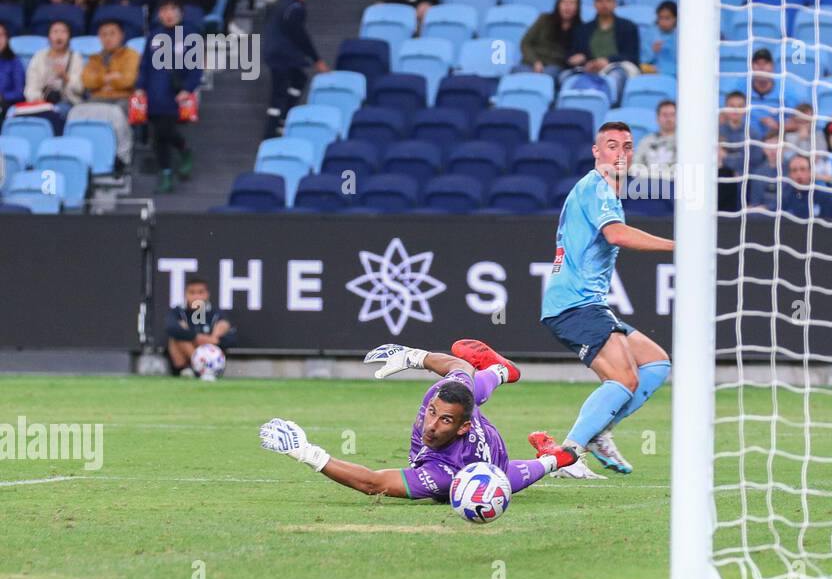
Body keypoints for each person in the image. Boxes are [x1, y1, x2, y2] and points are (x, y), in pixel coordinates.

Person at [259, 339, 580, 501]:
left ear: (462, 427)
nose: (431, 424)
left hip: (493, 470)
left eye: (444, 421)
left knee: (550, 464)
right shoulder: (442, 396)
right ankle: (503, 370)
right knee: (469, 380)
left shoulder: (444, 476)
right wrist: (415, 357)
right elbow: (460, 366)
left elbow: (373, 483)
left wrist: (306, 452)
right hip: (473, 421)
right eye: (432, 413)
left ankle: (554, 455)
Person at [533, 121, 675, 478]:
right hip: (573, 304)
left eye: (627, 146)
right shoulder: (596, 187)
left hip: (587, 303)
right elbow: (616, 235)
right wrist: (679, 246)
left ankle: (597, 432)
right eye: (612, 145)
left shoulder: (603, 191)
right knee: (624, 378)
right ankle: (569, 455)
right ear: (596, 152)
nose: (621, 153)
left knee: (656, 363)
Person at [140, 0, 199, 193]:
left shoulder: (190, 35)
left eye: (173, 9)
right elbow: (145, 65)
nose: (168, 14)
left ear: (180, 13)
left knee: (165, 131)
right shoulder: (153, 36)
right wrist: (140, 86)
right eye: (164, 10)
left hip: (175, 93)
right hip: (154, 91)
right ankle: (165, 174)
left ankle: (184, 150)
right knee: (157, 136)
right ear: (159, 14)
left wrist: (187, 89)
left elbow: (195, 69)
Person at [261, 0, 327, 138]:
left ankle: (282, 119)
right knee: (279, 92)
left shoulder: (283, 4)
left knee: (298, 80)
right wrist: (316, 59)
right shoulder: (296, 8)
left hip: (275, 52)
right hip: (282, 55)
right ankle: (273, 131)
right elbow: (300, 36)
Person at [74, 19, 139, 171]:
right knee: (76, 112)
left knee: (117, 113)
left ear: (121, 35)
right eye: (104, 34)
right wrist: (108, 78)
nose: (108, 38)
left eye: (112, 34)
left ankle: (122, 157)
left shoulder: (131, 55)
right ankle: (84, 157)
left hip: (123, 98)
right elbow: (87, 81)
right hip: (97, 98)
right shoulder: (94, 58)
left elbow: (128, 80)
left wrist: (104, 81)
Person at [568, 0, 641, 100]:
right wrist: (583, 59)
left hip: (618, 66)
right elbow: (576, 53)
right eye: (600, 1)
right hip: (590, 67)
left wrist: (608, 60)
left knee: (614, 78)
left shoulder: (628, 26)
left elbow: (633, 56)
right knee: (566, 77)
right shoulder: (583, 29)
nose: (604, 4)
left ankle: (611, 108)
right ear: (594, 4)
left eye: (608, 0)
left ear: (615, 4)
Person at [166, 277, 237, 377]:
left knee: (222, 326)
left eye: (200, 292)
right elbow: (170, 328)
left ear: (207, 294)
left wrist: (213, 340)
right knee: (177, 335)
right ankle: (188, 370)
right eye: (192, 292)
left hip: (212, 359)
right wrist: (196, 338)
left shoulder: (216, 314)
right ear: (185, 294)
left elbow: (232, 339)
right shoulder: (178, 312)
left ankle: (207, 369)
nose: (196, 297)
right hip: (185, 361)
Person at [24, 20, 85, 129]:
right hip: (41, 101)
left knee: (56, 113)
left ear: (69, 37)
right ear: (49, 36)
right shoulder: (39, 57)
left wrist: (66, 77)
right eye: (55, 31)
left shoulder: (76, 57)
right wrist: (37, 99)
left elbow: (80, 89)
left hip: (67, 101)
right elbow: (31, 86)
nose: (59, 35)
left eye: (63, 32)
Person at [519, 0, 579, 78]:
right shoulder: (544, 19)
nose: (567, 6)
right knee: (516, 72)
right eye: (564, 2)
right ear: (558, 4)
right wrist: (535, 62)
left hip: (555, 67)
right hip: (531, 64)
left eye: (572, 3)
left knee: (547, 76)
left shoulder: (580, 28)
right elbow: (525, 43)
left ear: (577, 7)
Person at [776, 152, 832, 220]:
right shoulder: (784, 197)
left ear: (810, 172)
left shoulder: (824, 196)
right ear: (789, 175)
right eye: (794, 170)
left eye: (802, 169)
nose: (798, 174)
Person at [630, 98, 675, 177]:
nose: (668, 119)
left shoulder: (683, 143)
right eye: (665, 115)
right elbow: (635, 166)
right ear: (657, 118)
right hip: (647, 185)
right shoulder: (646, 141)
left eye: (672, 115)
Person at [719, 89, 761, 174]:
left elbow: (754, 162)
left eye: (740, 106)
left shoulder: (753, 133)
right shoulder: (717, 132)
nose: (736, 110)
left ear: (746, 109)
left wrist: (726, 157)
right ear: (725, 108)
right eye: (732, 106)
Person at [640, 0, 677, 76]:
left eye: (667, 18)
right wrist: (652, 51)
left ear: (675, 18)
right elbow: (643, 60)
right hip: (653, 73)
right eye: (660, 18)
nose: (663, 22)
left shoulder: (683, 35)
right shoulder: (650, 33)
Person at [0, 25, 25, 120]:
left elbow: (19, 93)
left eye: (1, 35)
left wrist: (2, 97)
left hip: (6, 104)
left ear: (7, 39)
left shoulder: (15, 63)